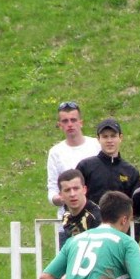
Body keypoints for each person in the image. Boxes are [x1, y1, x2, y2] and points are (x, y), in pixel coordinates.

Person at [46, 101, 101, 245]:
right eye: (65, 121)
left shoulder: (96, 145)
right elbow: (52, 189)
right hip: (68, 221)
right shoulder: (55, 152)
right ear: (60, 125)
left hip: (95, 219)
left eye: (73, 120)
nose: (70, 124)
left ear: (81, 122)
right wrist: (60, 198)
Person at [76, 118, 140, 204]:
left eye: (113, 136)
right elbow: (74, 196)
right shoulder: (85, 166)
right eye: (105, 136)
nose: (109, 141)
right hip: (92, 217)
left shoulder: (131, 172)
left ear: (120, 138)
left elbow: (137, 204)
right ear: (98, 139)